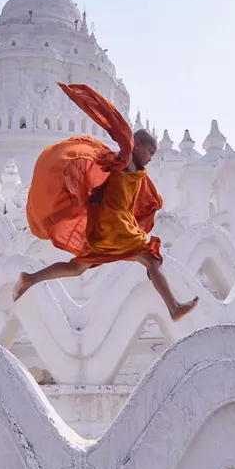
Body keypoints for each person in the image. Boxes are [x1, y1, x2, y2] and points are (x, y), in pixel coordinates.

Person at [13, 82, 199, 321]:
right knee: (153, 260)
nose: (151, 158)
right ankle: (174, 308)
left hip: (103, 231)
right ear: (137, 145)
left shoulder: (129, 169)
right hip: (115, 228)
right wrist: (86, 97)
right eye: (149, 152)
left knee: (77, 267)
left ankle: (30, 279)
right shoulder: (124, 161)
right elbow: (115, 126)